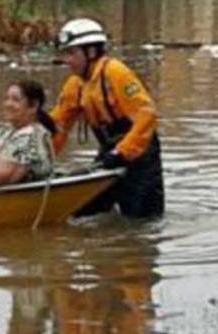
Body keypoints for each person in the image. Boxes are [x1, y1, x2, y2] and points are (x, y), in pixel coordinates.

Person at [49, 18, 164, 218]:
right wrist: (42, 157)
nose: (67, 60)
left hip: (139, 156)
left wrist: (122, 153)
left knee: (140, 219)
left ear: (91, 52)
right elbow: (59, 124)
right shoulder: (75, 84)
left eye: (72, 53)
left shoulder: (115, 73)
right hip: (110, 151)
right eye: (65, 54)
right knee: (83, 210)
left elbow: (146, 115)